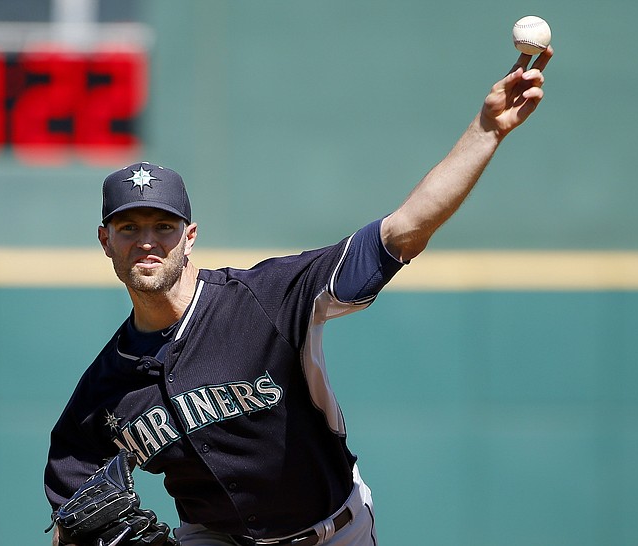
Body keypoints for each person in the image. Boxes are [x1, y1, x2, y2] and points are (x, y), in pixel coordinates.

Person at [44, 47, 553, 546]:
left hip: (333, 531)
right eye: (128, 227)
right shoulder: (105, 388)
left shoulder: (264, 299)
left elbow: (402, 232)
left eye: (163, 225)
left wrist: (486, 132)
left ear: (190, 235)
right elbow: (73, 503)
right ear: (105, 240)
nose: (147, 241)